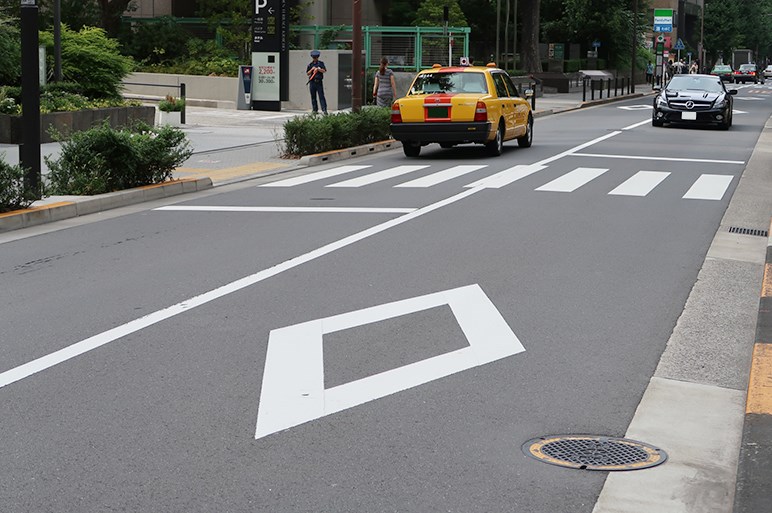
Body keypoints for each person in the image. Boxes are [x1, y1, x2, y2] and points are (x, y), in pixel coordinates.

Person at [306, 49, 327, 114]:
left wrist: (318, 69)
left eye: (316, 57)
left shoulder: (321, 63)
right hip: (312, 82)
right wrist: (312, 69)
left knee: (321, 96)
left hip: (319, 82)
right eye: (314, 57)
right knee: (313, 97)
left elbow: (324, 70)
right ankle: (315, 110)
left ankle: (324, 109)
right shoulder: (310, 65)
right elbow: (307, 73)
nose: (315, 58)